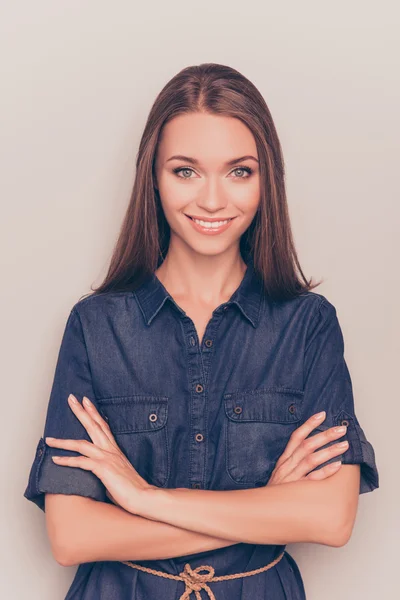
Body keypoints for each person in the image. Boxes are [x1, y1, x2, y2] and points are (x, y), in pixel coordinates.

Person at [24, 63, 379, 600]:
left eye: (239, 171)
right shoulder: (96, 327)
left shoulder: (308, 325)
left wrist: (142, 498)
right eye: (185, 170)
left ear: (267, 180)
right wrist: (267, 508)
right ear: (153, 177)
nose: (212, 200)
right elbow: (71, 535)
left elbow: (330, 518)